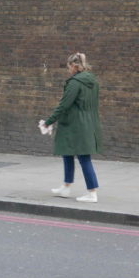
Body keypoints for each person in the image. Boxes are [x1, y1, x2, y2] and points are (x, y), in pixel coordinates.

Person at [40, 52, 103, 203]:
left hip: (76, 125)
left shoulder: (75, 83)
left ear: (74, 66)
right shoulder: (93, 81)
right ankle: (66, 187)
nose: (68, 70)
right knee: (67, 153)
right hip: (87, 122)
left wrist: (48, 121)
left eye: (69, 67)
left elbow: (64, 105)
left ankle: (92, 193)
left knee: (84, 158)